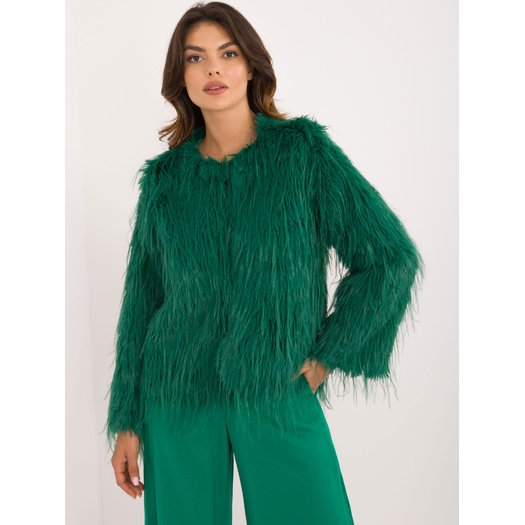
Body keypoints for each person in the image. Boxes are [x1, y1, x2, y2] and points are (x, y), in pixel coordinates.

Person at [103, 2, 425, 524]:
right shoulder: (164, 181)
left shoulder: (304, 154)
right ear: (180, 75)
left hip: (276, 384)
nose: (213, 69)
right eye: (196, 58)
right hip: (177, 391)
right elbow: (142, 301)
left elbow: (390, 258)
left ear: (251, 66)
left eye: (228, 54)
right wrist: (127, 418)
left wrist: (327, 355)